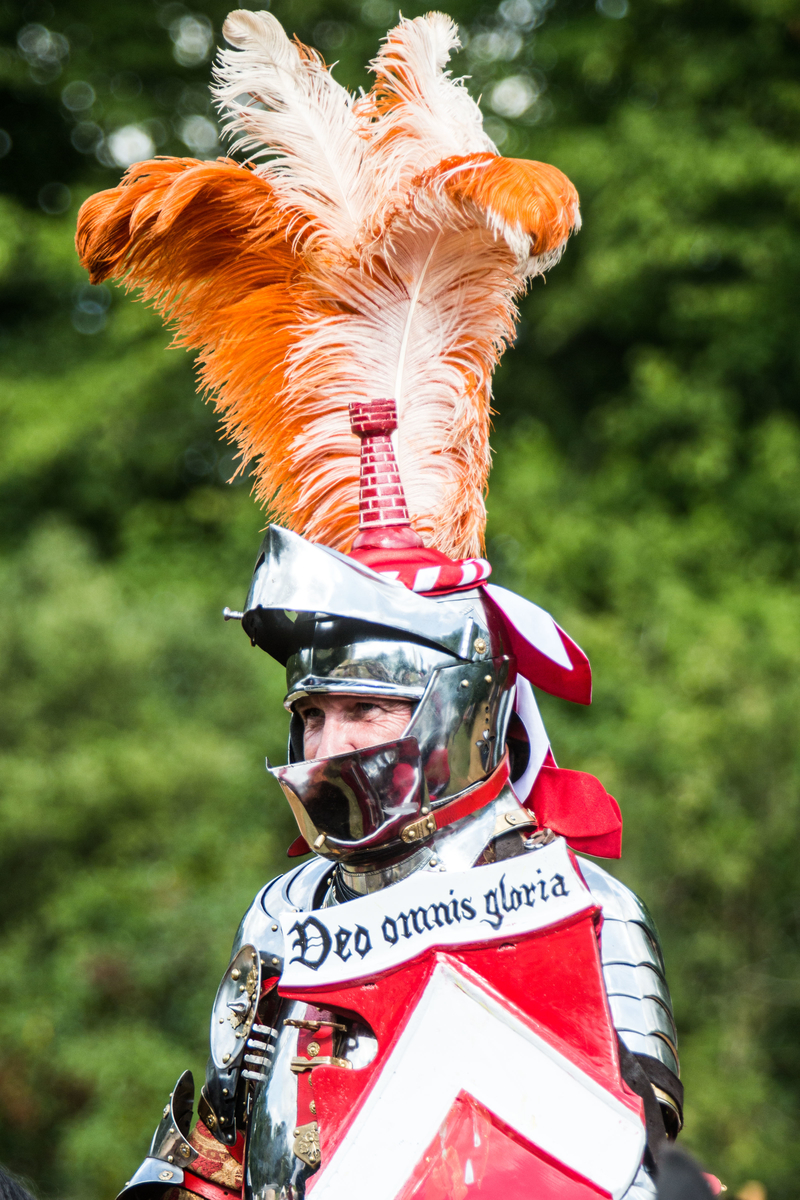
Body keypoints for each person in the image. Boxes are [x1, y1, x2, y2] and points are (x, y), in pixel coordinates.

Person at [76, 9, 685, 1198]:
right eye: (313, 718)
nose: (326, 745)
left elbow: (623, 1159)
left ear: (451, 709)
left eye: (360, 714)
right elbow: (211, 1155)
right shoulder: (286, 916)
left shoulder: (576, 905)